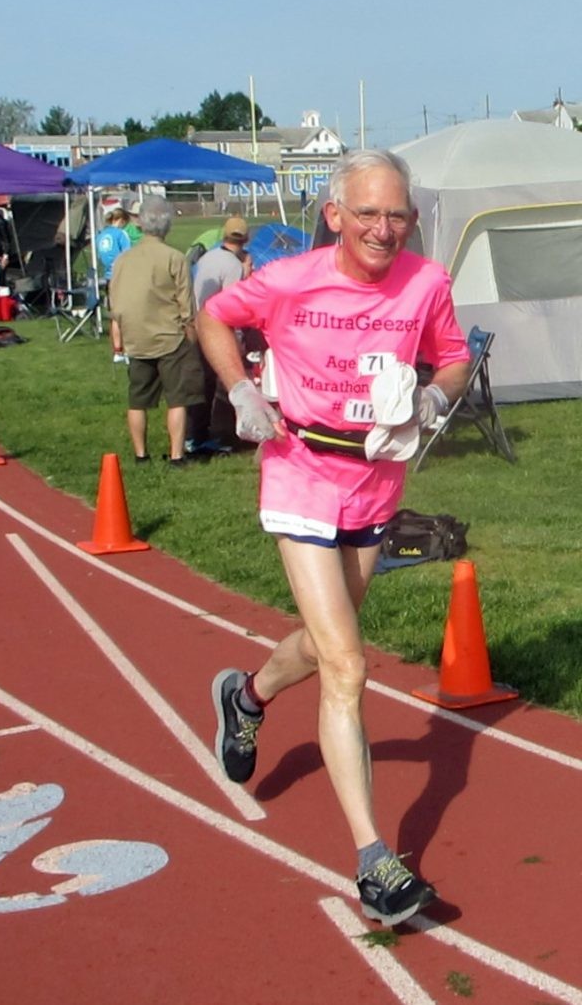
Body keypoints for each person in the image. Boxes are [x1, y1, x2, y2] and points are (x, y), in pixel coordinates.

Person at [197, 149, 471, 927]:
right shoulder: (290, 279)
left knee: (326, 645)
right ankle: (374, 862)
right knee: (348, 664)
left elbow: (454, 359)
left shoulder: (426, 282)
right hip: (299, 474)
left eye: (398, 215)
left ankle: (246, 696)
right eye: (369, 213)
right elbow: (212, 316)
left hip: (375, 481)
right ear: (335, 215)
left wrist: (431, 397)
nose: (384, 229)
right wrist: (242, 390)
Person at [108, 196, 204, 468]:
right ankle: (176, 455)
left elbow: (115, 301)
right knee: (177, 400)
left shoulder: (123, 260)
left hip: (135, 336)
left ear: (140, 223)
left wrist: (120, 334)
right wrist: (191, 332)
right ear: (168, 225)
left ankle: (141, 454)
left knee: (137, 400)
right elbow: (187, 304)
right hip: (170, 336)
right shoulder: (175, 258)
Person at [187, 216, 254, 455]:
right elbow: (232, 304)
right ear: (246, 240)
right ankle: (221, 434)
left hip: (197, 323)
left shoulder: (208, 257)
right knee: (225, 384)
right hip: (217, 329)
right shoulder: (233, 266)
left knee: (203, 383)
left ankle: (196, 434)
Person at [95, 208, 131, 280]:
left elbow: (99, 254)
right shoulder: (121, 233)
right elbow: (127, 253)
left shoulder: (101, 234)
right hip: (120, 273)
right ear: (122, 221)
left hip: (107, 273)